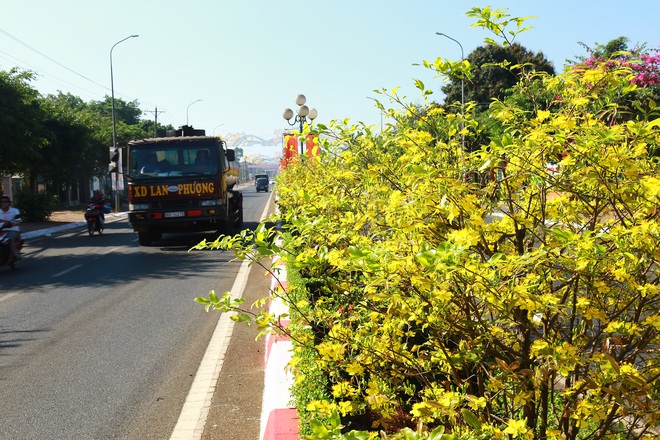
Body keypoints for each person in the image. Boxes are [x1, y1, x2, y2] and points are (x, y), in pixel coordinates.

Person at [0, 195, 22, 263]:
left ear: (9, 203)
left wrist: (13, 224)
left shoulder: (15, 211)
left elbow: (18, 220)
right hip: (2, 230)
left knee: (10, 239)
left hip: (13, 230)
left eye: (5, 201)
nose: (3, 203)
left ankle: (16, 255)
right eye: (2, 202)